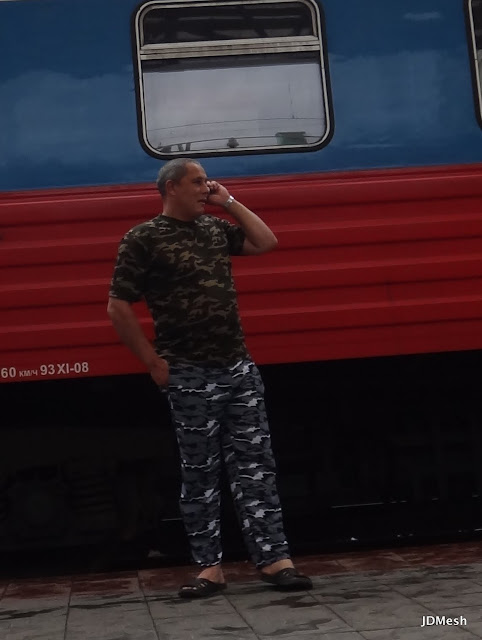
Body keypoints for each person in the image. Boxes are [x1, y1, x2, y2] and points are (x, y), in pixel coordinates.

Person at [107, 158, 312, 598]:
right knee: (200, 471)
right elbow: (118, 306)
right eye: (198, 182)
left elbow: (267, 242)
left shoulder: (215, 229)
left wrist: (229, 202)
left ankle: (275, 561)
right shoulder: (143, 238)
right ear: (171, 188)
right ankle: (209, 569)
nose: (207, 187)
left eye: (206, 182)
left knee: (256, 466)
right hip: (187, 371)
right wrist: (153, 362)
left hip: (237, 367)